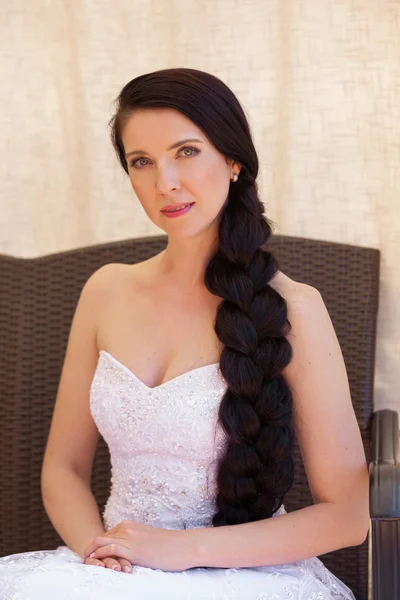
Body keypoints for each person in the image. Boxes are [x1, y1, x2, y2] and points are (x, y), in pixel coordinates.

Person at [0, 68, 369, 599]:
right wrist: (100, 553)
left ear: (234, 160)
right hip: (106, 569)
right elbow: (63, 466)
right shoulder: (106, 291)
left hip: (244, 578)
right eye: (141, 162)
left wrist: (180, 551)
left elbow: (347, 517)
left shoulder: (295, 309)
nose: (164, 182)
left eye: (187, 152)